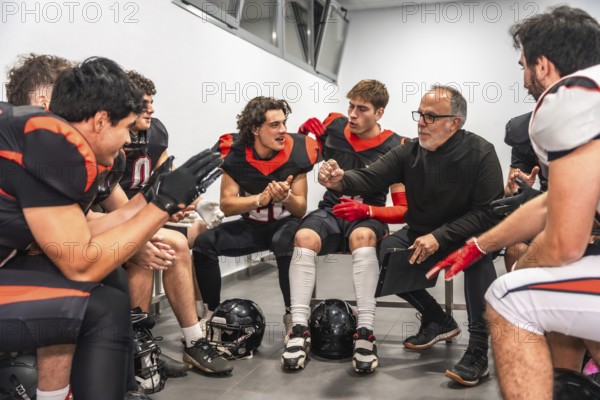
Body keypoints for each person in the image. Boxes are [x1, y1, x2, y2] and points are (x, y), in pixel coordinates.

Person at [0, 57, 221, 399]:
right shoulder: (51, 141)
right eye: (127, 128)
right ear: (101, 120)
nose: (129, 142)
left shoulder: (33, 138)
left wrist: (149, 198)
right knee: (97, 309)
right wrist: (161, 208)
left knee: (107, 298)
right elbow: (81, 263)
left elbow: (82, 227)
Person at [427, 6, 600, 398]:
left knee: (509, 296)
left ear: (543, 67)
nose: (523, 80)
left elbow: (566, 246)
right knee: (550, 286)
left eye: (524, 66)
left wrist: (524, 264)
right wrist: (479, 245)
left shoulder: (568, 99)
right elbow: (553, 201)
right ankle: (565, 384)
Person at [318, 84, 503, 384]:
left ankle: (478, 351)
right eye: (420, 114)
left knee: (477, 259)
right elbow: (369, 177)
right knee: (387, 251)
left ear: (454, 122)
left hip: (469, 235)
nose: (421, 122)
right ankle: (438, 318)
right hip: (420, 232)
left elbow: (487, 213)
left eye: (430, 117)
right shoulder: (409, 151)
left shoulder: (481, 153)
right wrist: (339, 180)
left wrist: (440, 237)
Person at [98, 70, 232, 375]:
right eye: (144, 103)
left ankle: (192, 340)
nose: (151, 109)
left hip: (143, 213)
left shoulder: (154, 132)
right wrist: (161, 211)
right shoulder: (108, 138)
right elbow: (116, 203)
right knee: (163, 243)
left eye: (151, 102)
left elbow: (169, 177)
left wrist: (196, 204)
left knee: (179, 241)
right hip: (109, 219)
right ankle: (139, 346)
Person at [281, 79, 407, 373]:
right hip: (332, 209)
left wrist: (367, 209)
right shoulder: (334, 126)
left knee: (363, 236)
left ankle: (365, 331)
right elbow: (303, 158)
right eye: (350, 105)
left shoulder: (396, 146)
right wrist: (301, 137)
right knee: (303, 236)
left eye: (362, 109)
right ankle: (299, 328)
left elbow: (403, 210)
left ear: (379, 113)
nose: (352, 114)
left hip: (367, 215)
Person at [193, 96, 319, 356]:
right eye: (274, 125)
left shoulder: (298, 150)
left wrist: (285, 196)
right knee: (205, 243)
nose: (283, 130)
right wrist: (260, 199)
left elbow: (301, 208)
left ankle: (292, 317)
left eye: (284, 123)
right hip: (252, 225)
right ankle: (212, 313)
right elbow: (227, 205)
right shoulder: (235, 152)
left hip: (286, 224)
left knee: (284, 242)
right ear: (255, 129)